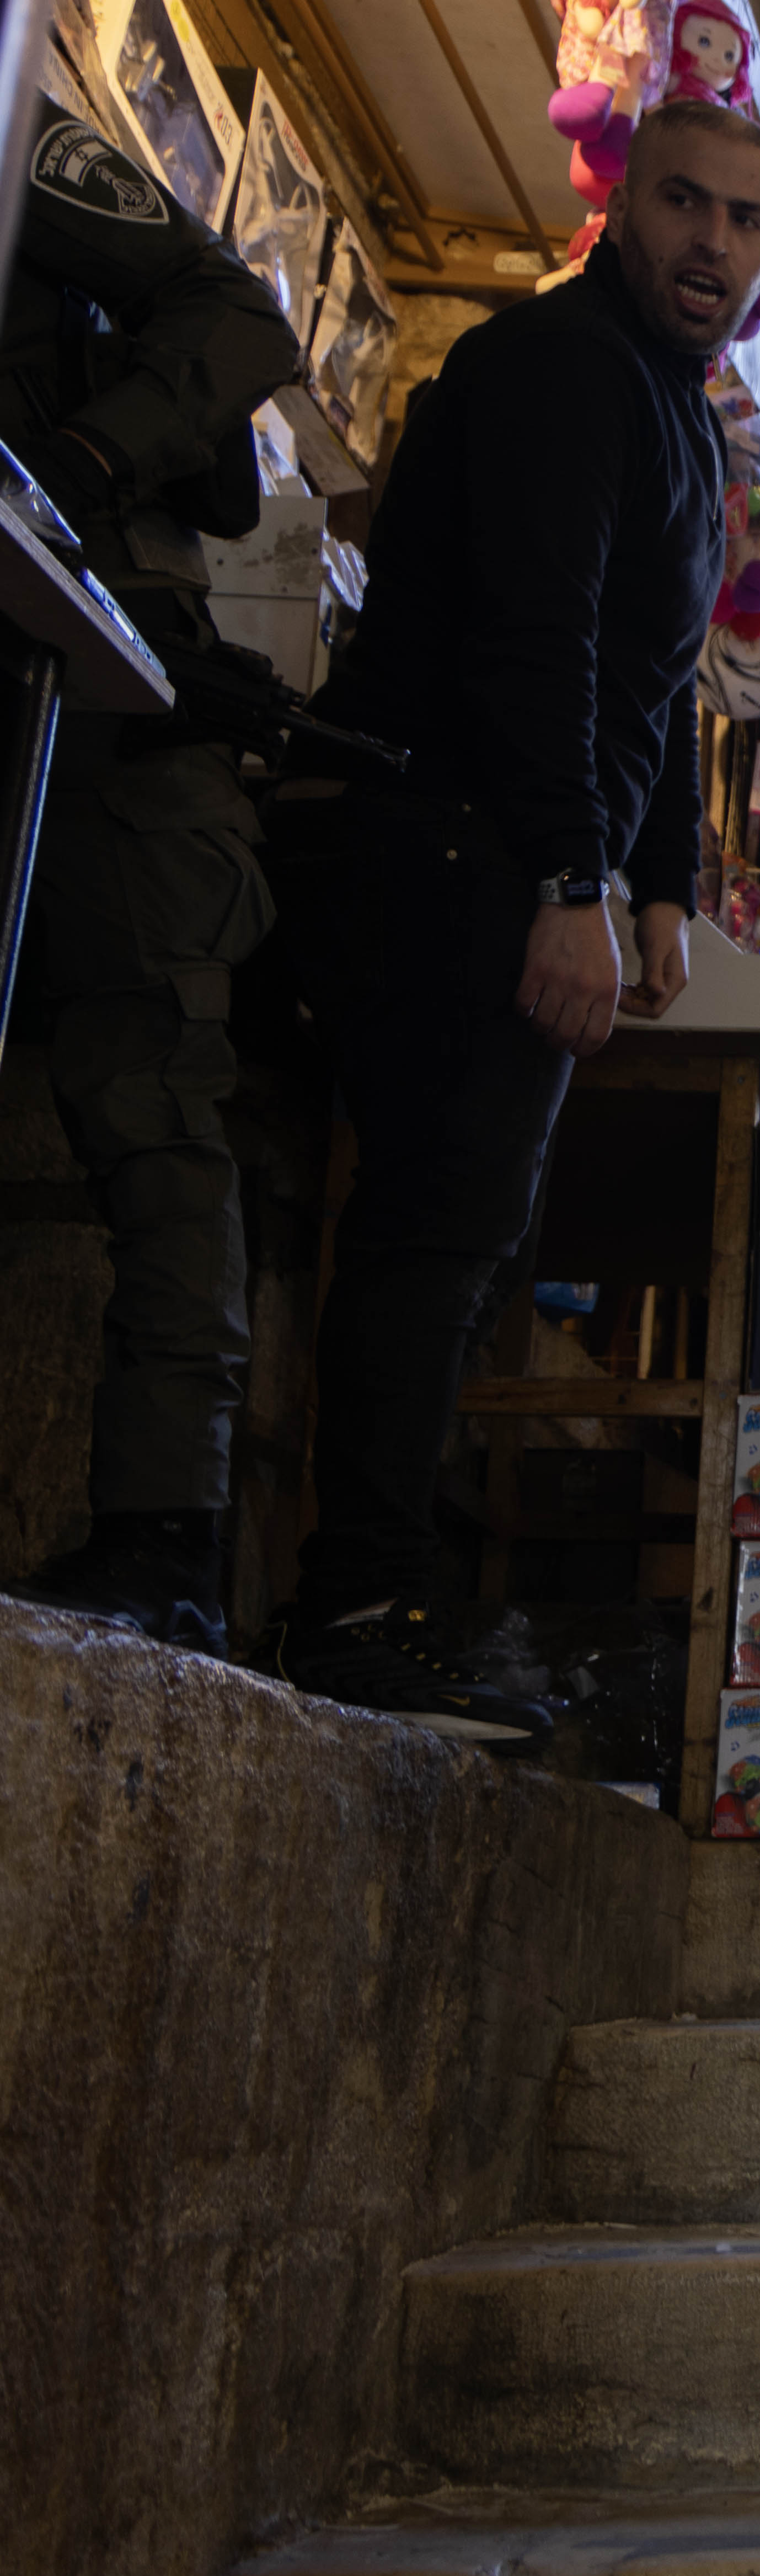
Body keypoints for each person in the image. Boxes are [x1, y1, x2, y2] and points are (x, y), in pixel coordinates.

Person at [242, 99, 760, 1737]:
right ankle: (355, 1617)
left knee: (467, 1243)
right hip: (449, 848)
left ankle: (402, 1607)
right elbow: (537, 643)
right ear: (624, 211)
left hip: (513, 856)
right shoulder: (559, 368)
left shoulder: (676, 409)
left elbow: (658, 679)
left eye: (742, 220)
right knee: (427, 1239)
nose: (711, 241)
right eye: (683, 203)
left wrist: (667, 878)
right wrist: (571, 879)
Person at [0, 103, 299, 1650]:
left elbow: (241, 316)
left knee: (157, 1117)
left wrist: (81, 455)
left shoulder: (15, 135)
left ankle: (161, 1540)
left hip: (113, 699)